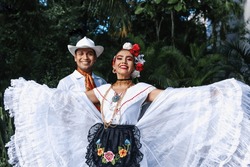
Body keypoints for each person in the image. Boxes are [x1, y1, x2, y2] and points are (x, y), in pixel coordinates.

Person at [3, 42, 250, 167]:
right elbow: (68, 102)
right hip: (101, 141)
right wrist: (35, 96)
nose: (123, 62)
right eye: (119, 58)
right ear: (112, 66)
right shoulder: (102, 89)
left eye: (129, 59)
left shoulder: (143, 89)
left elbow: (174, 98)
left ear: (135, 67)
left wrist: (211, 95)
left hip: (128, 143)